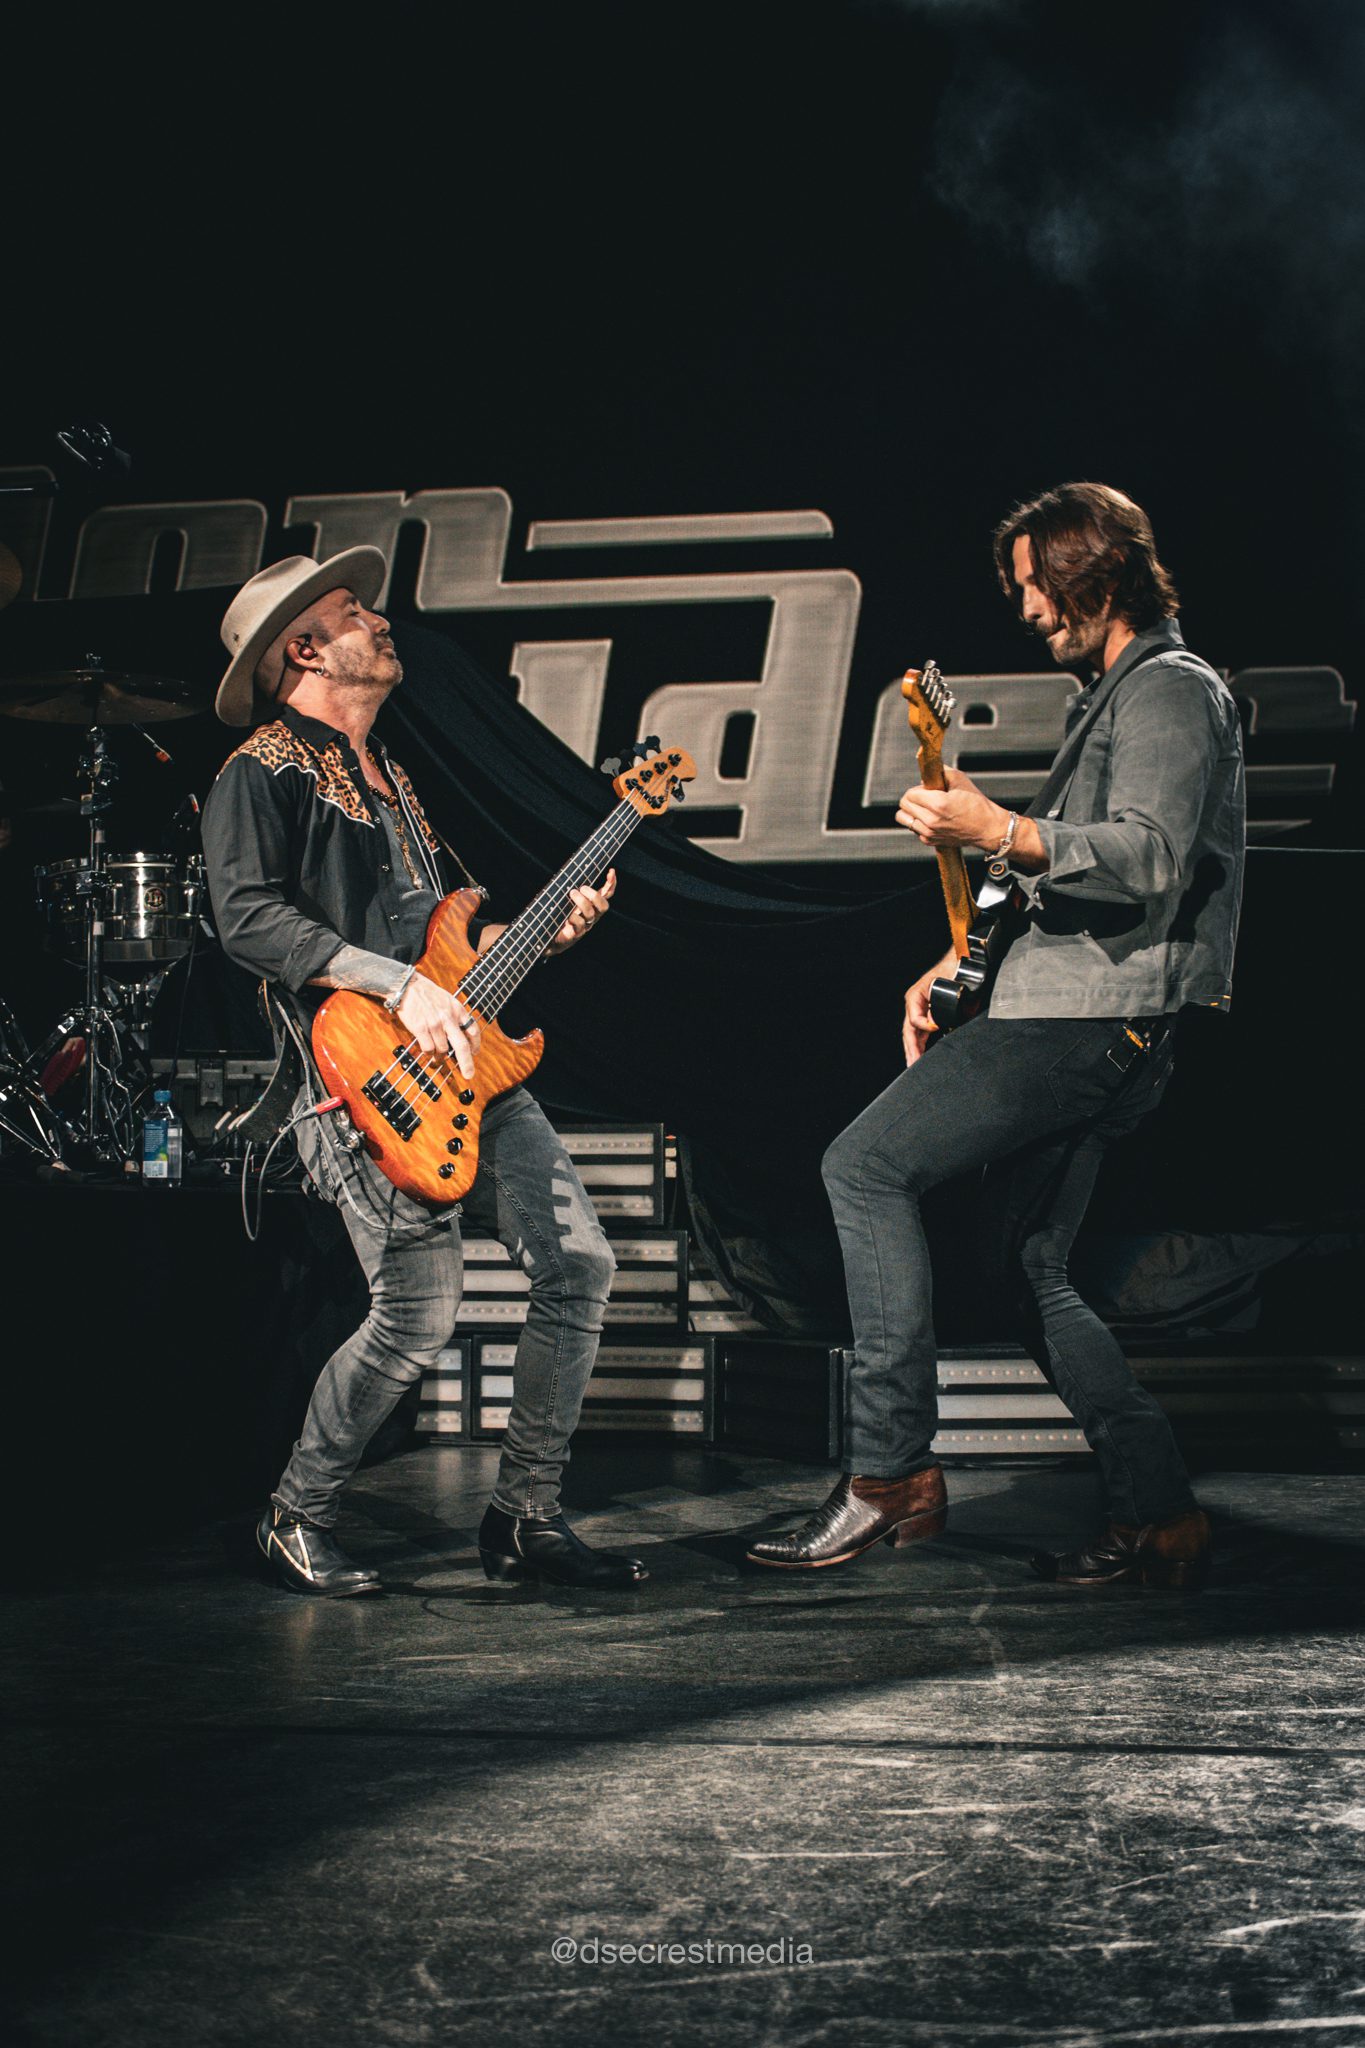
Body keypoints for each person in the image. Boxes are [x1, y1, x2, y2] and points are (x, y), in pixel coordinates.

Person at [748, 482, 1245, 1587]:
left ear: (1093, 571)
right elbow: (1073, 873)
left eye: (1034, 583)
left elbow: (1152, 856)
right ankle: (1158, 1508)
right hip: (1081, 1012)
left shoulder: (1168, 689)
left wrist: (1001, 828)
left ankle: (888, 1476)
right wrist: (958, 958)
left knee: (864, 1164)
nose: (1025, 608)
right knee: (1026, 1265)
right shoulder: (1112, 697)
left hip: (1086, 1021)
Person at [202, 549, 648, 1596]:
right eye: (353, 611)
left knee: (580, 1265)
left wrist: (548, 933)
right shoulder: (258, 769)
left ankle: (527, 1517)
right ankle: (293, 1513)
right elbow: (248, 917)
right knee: (416, 1316)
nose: (379, 620)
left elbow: (446, 938)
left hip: (469, 1063)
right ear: (304, 648)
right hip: (360, 1079)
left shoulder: (392, 776)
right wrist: (394, 987)